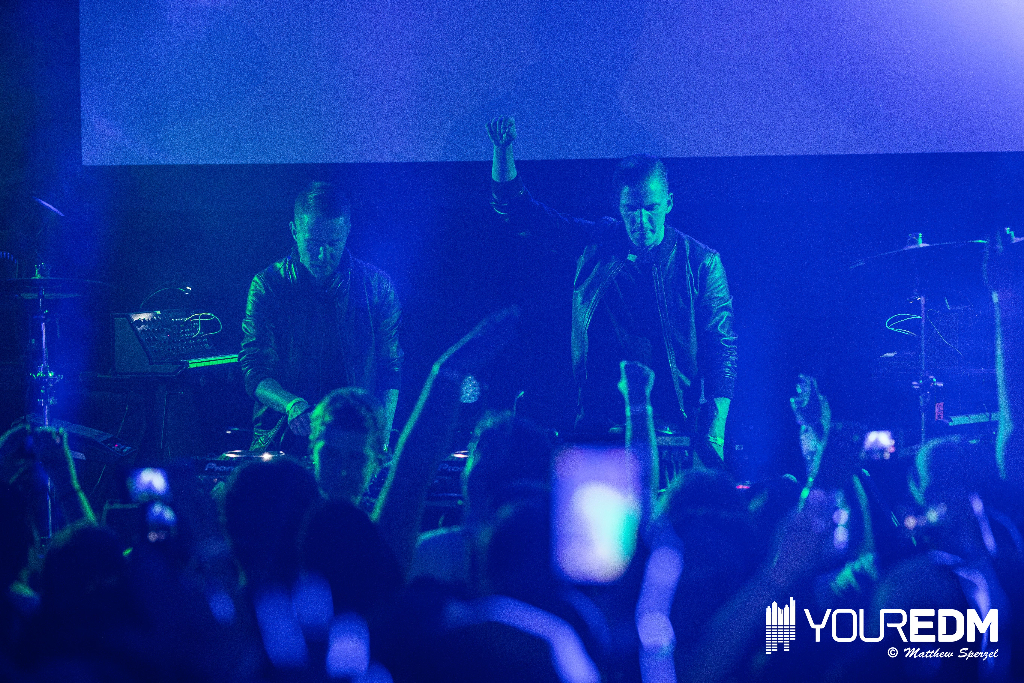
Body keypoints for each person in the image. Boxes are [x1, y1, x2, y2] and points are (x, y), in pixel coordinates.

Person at [487, 116, 737, 465]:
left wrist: (713, 433)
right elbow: (522, 214)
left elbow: (721, 347)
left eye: (650, 208)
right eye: (630, 210)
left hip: (673, 430)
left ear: (668, 203)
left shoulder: (701, 262)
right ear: (619, 207)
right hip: (599, 426)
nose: (641, 221)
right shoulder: (599, 243)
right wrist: (503, 151)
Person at [240, 181, 402, 455]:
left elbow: (391, 371)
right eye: (313, 243)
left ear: (347, 231)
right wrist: (291, 404)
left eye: (333, 243)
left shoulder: (378, 287)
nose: (323, 255)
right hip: (282, 436)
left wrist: (381, 441)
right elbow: (255, 370)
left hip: (356, 438)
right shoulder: (268, 285)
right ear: (294, 231)